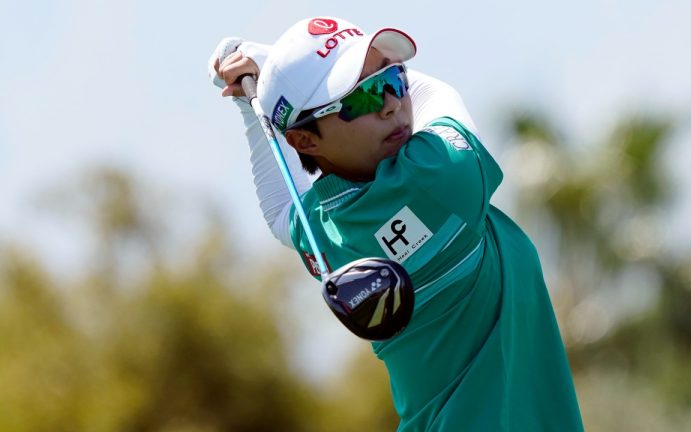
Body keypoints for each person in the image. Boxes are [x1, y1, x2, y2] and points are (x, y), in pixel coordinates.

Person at [209, 16, 583, 431]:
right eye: (363, 97)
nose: (391, 102)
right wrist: (269, 72)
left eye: (394, 78)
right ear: (304, 140)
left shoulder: (327, 231)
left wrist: (257, 102)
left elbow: (281, 211)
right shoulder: (440, 173)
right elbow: (436, 93)